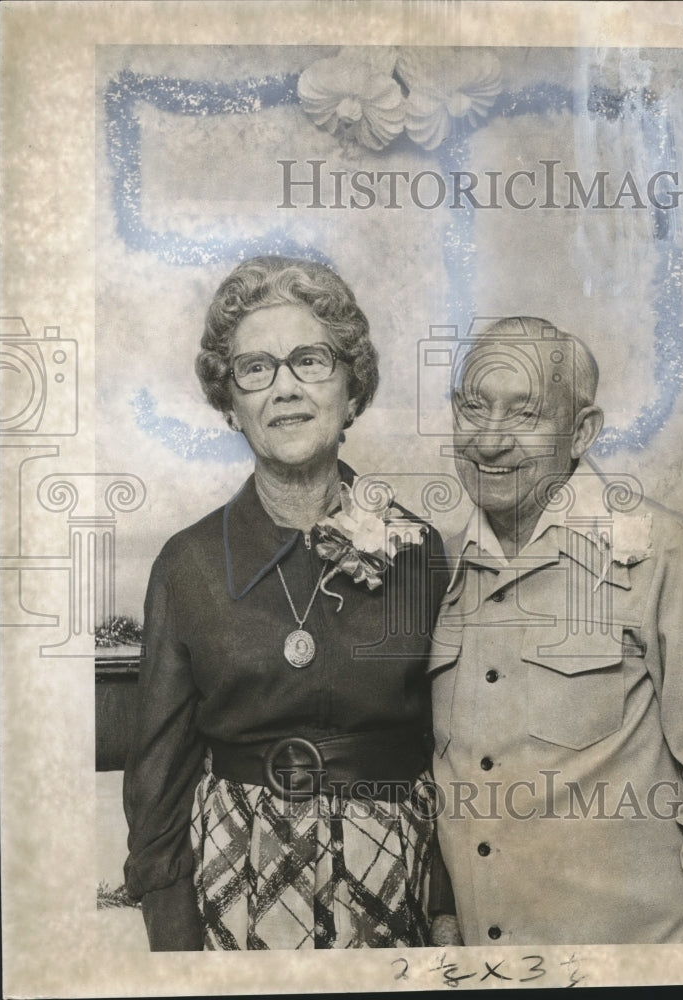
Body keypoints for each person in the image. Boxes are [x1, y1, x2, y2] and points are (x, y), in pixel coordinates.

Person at [123, 255, 448, 950]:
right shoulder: (188, 564)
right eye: (256, 369)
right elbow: (157, 780)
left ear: (352, 390)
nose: (286, 389)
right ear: (230, 404)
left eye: (310, 361)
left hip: (397, 872)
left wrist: (447, 904)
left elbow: (451, 745)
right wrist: (175, 941)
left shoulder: (421, 551)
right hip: (237, 875)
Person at [428, 316, 683, 945]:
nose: (490, 441)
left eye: (525, 414)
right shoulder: (441, 571)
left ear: (582, 432)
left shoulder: (664, 555)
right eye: (473, 407)